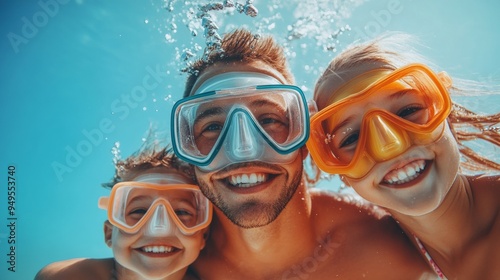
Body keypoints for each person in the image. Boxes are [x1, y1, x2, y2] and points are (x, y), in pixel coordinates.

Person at [170, 28, 436, 279]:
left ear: (307, 138)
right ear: (188, 149)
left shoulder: (393, 243)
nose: (243, 150)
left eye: (269, 120)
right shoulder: (174, 264)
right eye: (213, 127)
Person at [308, 32, 500, 279]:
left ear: (447, 117)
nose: (389, 146)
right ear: (341, 173)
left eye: (409, 110)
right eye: (352, 138)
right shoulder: (378, 249)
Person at [35, 145, 212, 280]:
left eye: (181, 212)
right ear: (109, 233)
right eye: (140, 211)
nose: (159, 228)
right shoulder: (67, 276)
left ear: (203, 236)